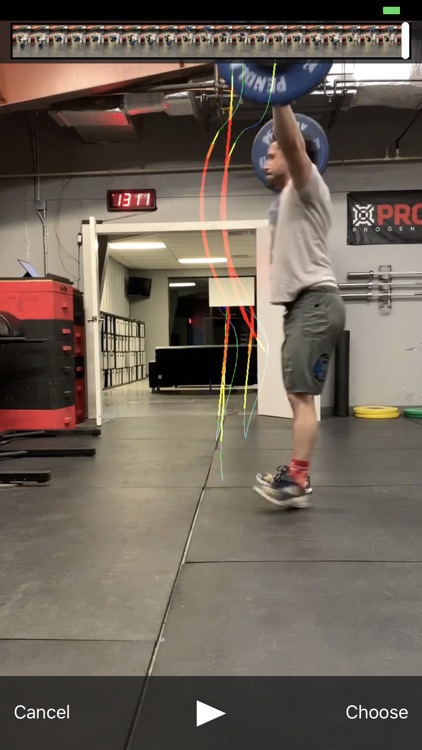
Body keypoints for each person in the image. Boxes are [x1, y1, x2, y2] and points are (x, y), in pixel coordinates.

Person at [252, 103, 346, 509]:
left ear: (294, 157)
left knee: (300, 397)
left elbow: (292, 142)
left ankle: (298, 480)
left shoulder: (308, 185)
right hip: (303, 307)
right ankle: (296, 474)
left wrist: (279, 97)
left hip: (315, 302)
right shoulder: (289, 198)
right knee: (298, 394)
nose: (265, 161)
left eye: (272, 154)